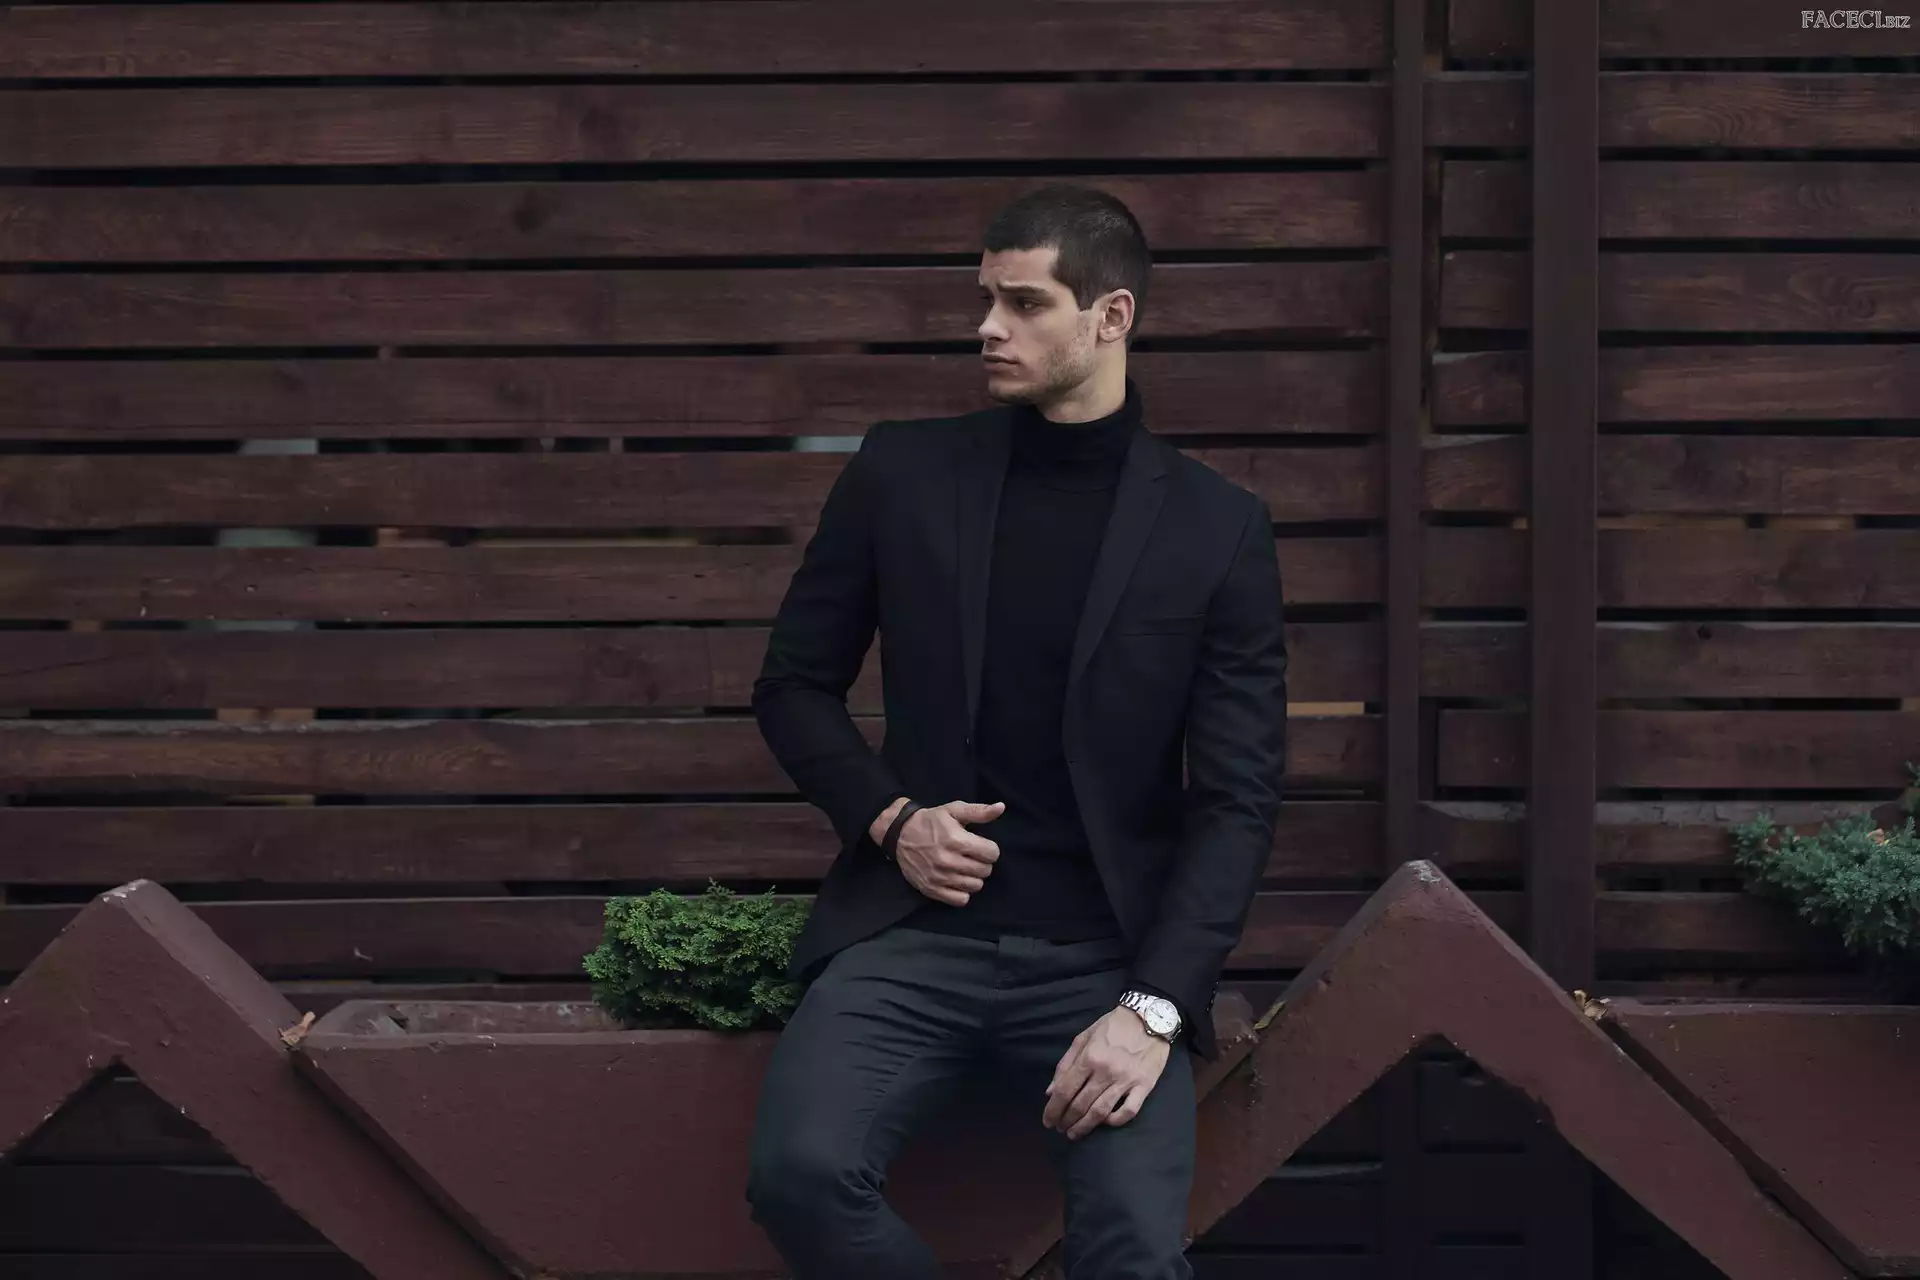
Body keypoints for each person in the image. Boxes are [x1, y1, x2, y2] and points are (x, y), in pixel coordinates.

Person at [746, 184, 1289, 1279]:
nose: (988, 327)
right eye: (987, 298)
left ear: (1112, 316)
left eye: (1025, 303)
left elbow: (1237, 798)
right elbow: (793, 684)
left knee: (1131, 1250)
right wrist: (893, 819)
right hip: (912, 939)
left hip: (1107, 962)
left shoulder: (1217, 528)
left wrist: (1153, 1006)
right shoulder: (903, 472)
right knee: (799, 1175)